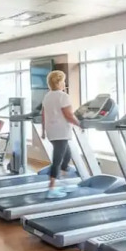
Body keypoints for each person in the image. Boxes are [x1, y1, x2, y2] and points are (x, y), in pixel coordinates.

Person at [41, 70, 80, 199]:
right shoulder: (63, 96)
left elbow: (43, 114)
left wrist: (43, 131)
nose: (64, 83)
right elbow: (68, 115)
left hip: (52, 130)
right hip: (61, 131)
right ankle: (51, 188)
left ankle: (63, 182)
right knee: (57, 159)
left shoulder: (47, 96)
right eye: (63, 81)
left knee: (67, 155)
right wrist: (80, 124)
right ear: (59, 83)